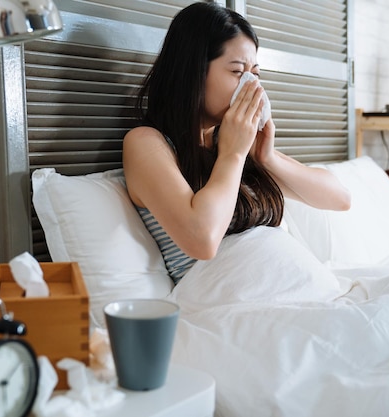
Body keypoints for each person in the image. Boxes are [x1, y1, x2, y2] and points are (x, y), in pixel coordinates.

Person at [123, 2, 351, 284]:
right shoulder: (147, 143)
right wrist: (232, 155)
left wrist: (268, 158)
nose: (251, 86)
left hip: (291, 286)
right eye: (237, 72)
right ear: (193, 72)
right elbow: (202, 240)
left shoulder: (235, 144)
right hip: (226, 301)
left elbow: (340, 199)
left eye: (254, 73)